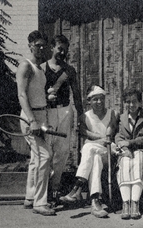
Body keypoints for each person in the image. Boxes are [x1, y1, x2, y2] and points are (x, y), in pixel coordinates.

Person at [59, 85, 118, 218]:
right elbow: (85, 134)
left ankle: (76, 188)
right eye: (95, 99)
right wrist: (98, 140)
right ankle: (95, 201)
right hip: (96, 152)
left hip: (110, 149)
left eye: (101, 99)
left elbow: (108, 137)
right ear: (89, 101)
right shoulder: (84, 117)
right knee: (95, 157)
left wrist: (94, 140)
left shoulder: (112, 114)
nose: (99, 102)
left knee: (87, 147)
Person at [41, 34, 83, 201]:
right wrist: (46, 97)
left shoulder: (69, 70)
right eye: (59, 49)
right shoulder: (41, 68)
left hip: (66, 111)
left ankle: (55, 187)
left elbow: (77, 95)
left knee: (63, 151)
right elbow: (35, 92)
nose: (62, 52)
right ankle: (42, 191)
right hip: (47, 113)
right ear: (52, 48)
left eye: (65, 50)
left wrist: (80, 116)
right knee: (47, 152)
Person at [16, 30, 54, 216]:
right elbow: (22, 95)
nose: (40, 48)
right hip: (30, 118)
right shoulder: (26, 66)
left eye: (42, 45)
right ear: (30, 45)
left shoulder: (39, 68)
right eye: (37, 45)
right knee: (44, 157)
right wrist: (32, 121)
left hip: (41, 115)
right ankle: (40, 203)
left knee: (35, 158)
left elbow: (35, 92)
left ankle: (30, 197)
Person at [115, 87, 143, 220]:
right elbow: (118, 136)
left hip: (142, 150)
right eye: (127, 102)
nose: (131, 105)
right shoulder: (121, 118)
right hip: (126, 151)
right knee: (125, 164)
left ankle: (135, 203)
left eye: (134, 102)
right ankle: (126, 203)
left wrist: (131, 143)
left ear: (140, 103)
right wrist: (124, 148)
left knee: (138, 163)